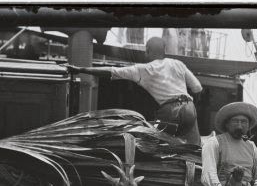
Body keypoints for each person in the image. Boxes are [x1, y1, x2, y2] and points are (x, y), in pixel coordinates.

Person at [65, 36, 203, 145]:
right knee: (194, 147)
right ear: (165, 50)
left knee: (156, 146)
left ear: (147, 50)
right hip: (189, 107)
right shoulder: (177, 63)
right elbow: (197, 88)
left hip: (170, 111)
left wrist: (81, 70)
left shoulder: (143, 70)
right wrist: (190, 108)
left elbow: (111, 72)